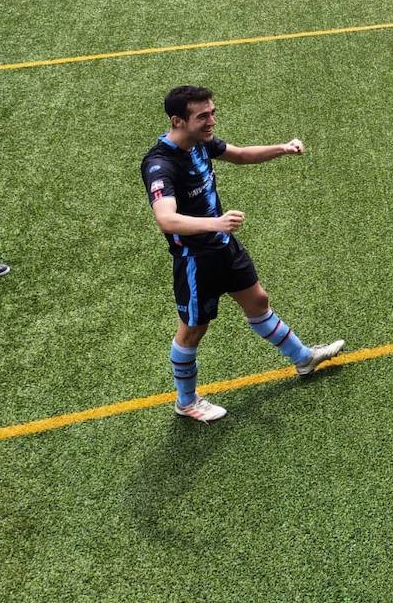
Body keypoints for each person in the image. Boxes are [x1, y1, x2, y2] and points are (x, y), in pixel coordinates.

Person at [141, 86, 345, 424]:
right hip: (195, 260)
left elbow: (238, 154)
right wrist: (215, 222)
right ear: (177, 121)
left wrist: (282, 148)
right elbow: (165, 218)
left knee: (258, 301)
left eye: (212, 112)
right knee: (192, 331)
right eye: (202, 116)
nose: (211, 121)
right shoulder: (160, 164)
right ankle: (186, 401)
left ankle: (303, 358)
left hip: (224, 247)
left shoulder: (202, 142)